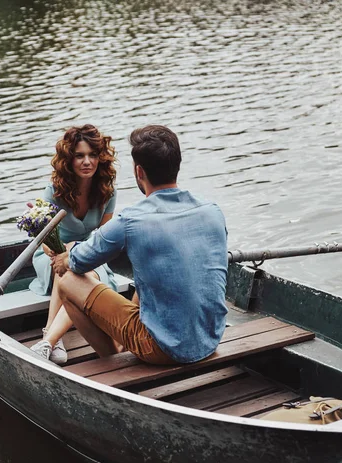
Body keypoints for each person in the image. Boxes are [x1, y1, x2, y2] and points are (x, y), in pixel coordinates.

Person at [50, 124, 228, 365]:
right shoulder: (212, 211)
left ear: (139, 172)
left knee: (68, 282)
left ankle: (114, 360)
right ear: (177, 165)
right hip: (211, 339)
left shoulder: (131, 219)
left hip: (162, 349)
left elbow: (78, 262)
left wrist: (65, 256)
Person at [29, 124, 117, 364]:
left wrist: (77, 253)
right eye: (79, 156)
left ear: (101, 158)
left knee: (76, 261)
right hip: (51, 258)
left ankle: (48, 340)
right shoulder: (53, 191)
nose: (87, 161)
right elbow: (43, 240)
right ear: (69, 159)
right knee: (68, 259)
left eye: (92, 155)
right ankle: (51, 338)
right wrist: (62, 252)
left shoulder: (107, 192)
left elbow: (102, 237)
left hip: (90, 257)